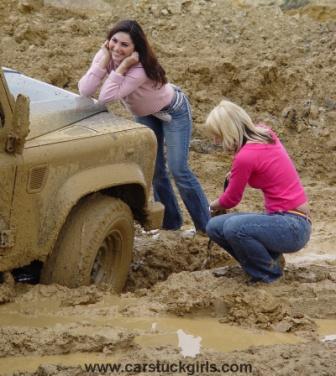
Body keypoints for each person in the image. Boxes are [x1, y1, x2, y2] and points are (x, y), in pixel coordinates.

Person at [78, 19, 209, 233]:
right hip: (147, 114)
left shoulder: (139, 68)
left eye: (124, 45)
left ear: (135, 49)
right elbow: (85, 90)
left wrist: (123, 66)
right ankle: (170, 224)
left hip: (173, 111)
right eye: (114, 41)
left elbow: (105, 96)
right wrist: (103, 61)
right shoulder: (106, 55)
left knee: (179, 170)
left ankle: (206, 228)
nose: (117, 48)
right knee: (155, 170)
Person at [204, 99, 311, 283]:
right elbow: (265, 164)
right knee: (214, 227)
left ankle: (268, 274)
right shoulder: (264, 134)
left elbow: (230, 200)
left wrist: (210, 206)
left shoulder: (245, 157)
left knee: (234, 228)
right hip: (288, 220)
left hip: (293, 224)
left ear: (229, 131)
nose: (216, 141)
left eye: (218, 135)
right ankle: (268, 261)